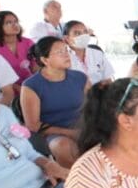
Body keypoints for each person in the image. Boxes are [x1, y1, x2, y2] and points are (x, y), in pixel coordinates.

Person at [20, 37, 88, 168]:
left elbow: (93, 106)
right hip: (52, 133)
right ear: (45, 60)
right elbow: (33, 125)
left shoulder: (79, 77)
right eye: (59, 52)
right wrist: (71, 133)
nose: (66, 55)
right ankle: (75, 182)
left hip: (82, 127)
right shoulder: (31, 86)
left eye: (66, 50)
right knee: (63, 147)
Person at [0, 11, 35, 89]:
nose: (14, 25)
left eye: (16, 21)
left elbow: (35, 68)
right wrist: (18, 89)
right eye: (8, 22)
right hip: (5, 89)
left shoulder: (28, 42)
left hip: (30, 86)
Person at [64, 20, 114, 86]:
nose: (83, 36)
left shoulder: (97, 54)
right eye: (77, 33)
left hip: (98, 93)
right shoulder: (63, 57)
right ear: (67, 38)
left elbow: (108, 79)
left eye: (85, 32)